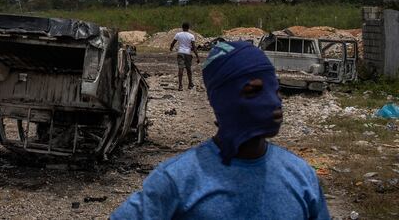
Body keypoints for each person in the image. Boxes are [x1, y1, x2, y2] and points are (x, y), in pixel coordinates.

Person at [111, 41, 330, 219]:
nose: (275, 100)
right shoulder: (178, 180)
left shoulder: (302, 177)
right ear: (224, 100)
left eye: (275, 88)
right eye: (254, 90)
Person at [169, 22, 201, 90]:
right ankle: (190, 84)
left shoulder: (178, 34)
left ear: (182, 27)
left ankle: (180, 86)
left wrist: (171, 48)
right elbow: (194, 47)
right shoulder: (191, 36)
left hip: (180, 52)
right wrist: (197, 57)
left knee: (181, 69)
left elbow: (173, 42)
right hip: (188, 53)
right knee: (188, 69)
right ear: (188, 28)